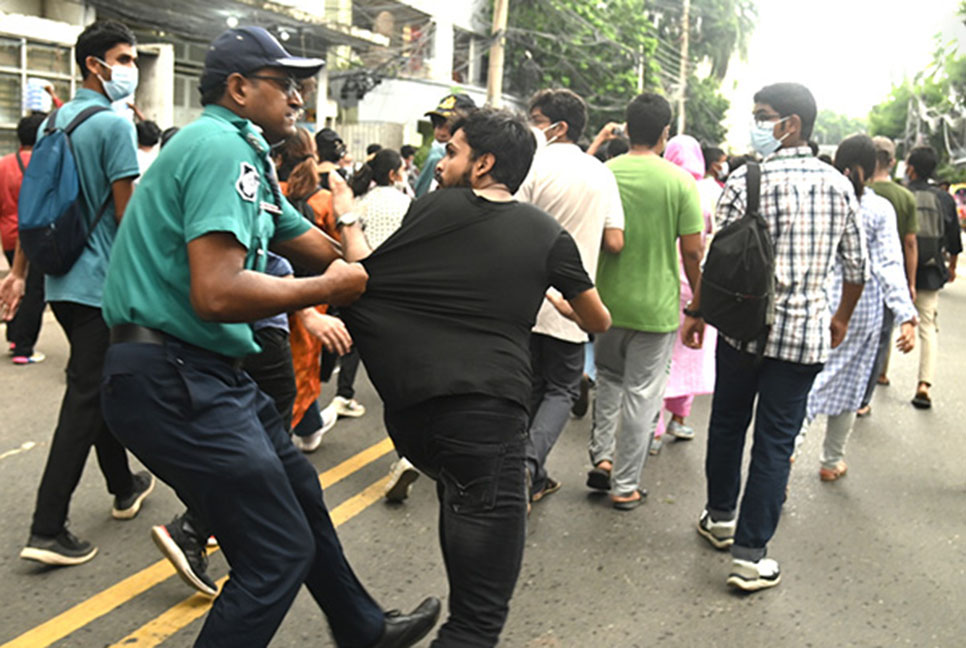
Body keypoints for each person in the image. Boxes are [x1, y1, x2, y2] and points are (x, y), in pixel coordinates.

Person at [98, 26, 439, 647]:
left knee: (301, 493)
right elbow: (219, 292)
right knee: (276, 554)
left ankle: (363, 628)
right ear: (238, 87)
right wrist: (328, 292)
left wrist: (389, 276)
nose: (298, 99)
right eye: (285, 85)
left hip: (205, 373)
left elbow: (322, 251)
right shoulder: (216, 148)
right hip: (173, 375)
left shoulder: (244, 151)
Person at [334, 108, 611, 647]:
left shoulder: (431, 209)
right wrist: (554, 296)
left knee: (459, 494)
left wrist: (347, 219)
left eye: (453, 152)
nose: (440, 162)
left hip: (414, 421)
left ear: (483, 164)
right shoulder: (546, 235)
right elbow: (598, 319)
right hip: (486, 423)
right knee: (477, 620)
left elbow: (366, 280)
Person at [690, 82, 866, 592]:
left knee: (726, 424)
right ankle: (750, 557)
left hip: (744, 330)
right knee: (775, 441)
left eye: (763, 116)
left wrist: (699, 311)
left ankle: (720, 518)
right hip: (804, 337)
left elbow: (716, 257)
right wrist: (841, 317)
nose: (756, 124)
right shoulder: (838, 186)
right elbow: (856, 266)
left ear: (790, 124)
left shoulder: (745, 181)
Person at [0, 20, 154, 567]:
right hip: (102, 285)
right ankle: (46, 527)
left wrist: (20, 273)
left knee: (96, 386)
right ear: (95, 64)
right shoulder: (113, 127)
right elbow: (127, 216)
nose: (129, 69)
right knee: (87, 395)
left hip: (61, 281)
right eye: (124, 58)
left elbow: (38, 209)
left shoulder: (53, 123)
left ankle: (123, 485)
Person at [586, 93, 704, 510]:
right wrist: (698, 306)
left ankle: (601, 457)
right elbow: (692, 252)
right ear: (665, 132)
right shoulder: (679, 182)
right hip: (655, 309)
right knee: (642, 394)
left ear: (627, 127)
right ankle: (625, 485)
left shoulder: (604, 173)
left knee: (608, 380)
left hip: (603, 303)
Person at [515, 88, 623, 505]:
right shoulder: (601, 173)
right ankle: (528, 468)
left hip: (525, 296)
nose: (530, 125)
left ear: (558, 126)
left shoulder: (527, 165)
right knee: (560, 389)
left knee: (531, 387)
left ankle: (527, 470)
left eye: (535, 118)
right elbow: (615, 240)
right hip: (574, 299)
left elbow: (512, 220)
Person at [801, 134, 917, 481]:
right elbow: (888, 264)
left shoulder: (817, 199)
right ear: (867, 169)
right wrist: (906, 314)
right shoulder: (878, 207)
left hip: (815, 301)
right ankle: (830, 460)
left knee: (809, 380)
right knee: (848, 381)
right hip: (860, 308)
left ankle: (788, 451)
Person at [346, 148, 418, 499]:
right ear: (395, 173)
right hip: (403, 293)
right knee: (405, 380)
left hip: (364, 289)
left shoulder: (361, 202)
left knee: (361, 355)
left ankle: (344, 392)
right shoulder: (407, 203)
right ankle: (408, 454)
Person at [650, 134, 717, 454]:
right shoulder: (706, 193)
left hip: (663, 280)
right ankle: (679, 418)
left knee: (660, 356)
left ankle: (654, 427)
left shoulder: (661, 186)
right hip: (696, 284)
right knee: (688, 352)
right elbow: (703, 246)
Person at [857, 136, 918, 413]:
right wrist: (910, 284)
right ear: (892, 162)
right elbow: (908, 243)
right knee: (880, 341)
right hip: (886, 285)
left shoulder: (858, 191)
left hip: (852, 284)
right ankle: (864, 398)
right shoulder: (903, 196)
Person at [904, 145, 961, 409]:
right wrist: (951, 266)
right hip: (929, 269)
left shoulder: (903, 194)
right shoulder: (944, 198)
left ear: (911, 168)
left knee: (887, 323)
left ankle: (879, 374)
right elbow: (953, 239)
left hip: (900, 268)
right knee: (927, 325)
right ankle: (924, 384)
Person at [1, 112, 48, 365]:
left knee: (14, 280)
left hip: (8, 237)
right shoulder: (45, 163)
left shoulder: (4, 164)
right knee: (34, 292)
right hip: (34, 236)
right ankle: (23, 348)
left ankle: (12, 334)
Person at [412, 93, 476, 197]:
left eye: (449, 126)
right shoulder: (436, 155)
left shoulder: (436, 156)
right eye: (438, 124)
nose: (441, 132)